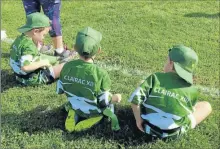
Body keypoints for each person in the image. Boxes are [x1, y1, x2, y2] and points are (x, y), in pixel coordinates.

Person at [128, 45, 212, 139]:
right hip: (174, 134)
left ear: (171, 63)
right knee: (206, 106)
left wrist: (138, 121)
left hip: (147, 127)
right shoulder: (193, 90)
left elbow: (135, 100)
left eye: (166, 60)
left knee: (142, 85)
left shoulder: (155, 78)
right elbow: (187, 113)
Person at [56, 27, 121, 132]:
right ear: (99, 50)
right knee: (109, 105)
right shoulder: (101, 74)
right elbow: (103, 102)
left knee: (77, 99)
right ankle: (91, 119)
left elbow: (59, 90)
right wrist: (115, 98)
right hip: (93, 110)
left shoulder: (66, 67)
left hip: (75, 104)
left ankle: (73, 112)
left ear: (75, 48)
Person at [10, 12, 68, 85]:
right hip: (31, 78)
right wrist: (42, 63)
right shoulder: (29, 46)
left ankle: (58, 60)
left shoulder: (20, 39)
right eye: (43, 35)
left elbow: (21, 55)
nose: (43, 37)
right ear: (35, 31)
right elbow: (25, 67)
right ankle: (64, 64)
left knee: (52, 59)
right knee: (65, 66)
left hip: (18, 76)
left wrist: (37, 48)